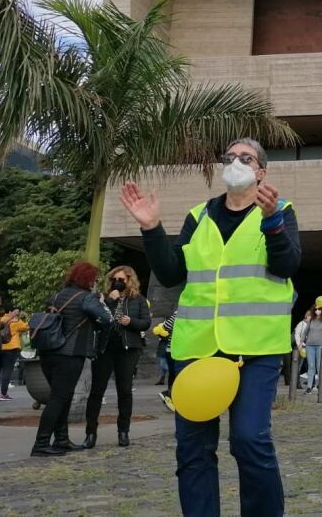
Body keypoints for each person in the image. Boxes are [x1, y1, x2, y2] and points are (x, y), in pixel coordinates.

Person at [120, 137, 301, 517]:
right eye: (230, 156)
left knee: (249, 440)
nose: (235, 162)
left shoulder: (280, 211)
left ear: (261, 171)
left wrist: (271, 224)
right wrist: (152, 229)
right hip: (195, 347)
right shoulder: (198, 215)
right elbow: (171, 274)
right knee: (193, 448)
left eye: (246, 158)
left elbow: (286, 266)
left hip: (256, 349)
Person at [31, 261, 113, 456]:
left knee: (62, 397)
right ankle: (41, 443)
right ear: (88, 279)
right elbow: (106, 319)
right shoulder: (87, 298)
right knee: (58, 398)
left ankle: (61, 439)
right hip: (70, 353)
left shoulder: (57, 295)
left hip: (48, 352)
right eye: (93, 278)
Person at [84, 265, 151, 449]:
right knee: (97, 391)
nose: (118, 283)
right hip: (105, 349)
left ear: (130, 281)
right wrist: (111, 301)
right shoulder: (104, 299)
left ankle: (123, 431)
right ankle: (90, 433)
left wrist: (131, 322)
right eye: (115, 279)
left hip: (128, 349)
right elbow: (97, 319)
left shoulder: (138, 300)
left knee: (125, 391)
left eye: (122, 280)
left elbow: (146, 323)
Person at [0, 307, 27, 402]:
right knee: (7, 371)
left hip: (0, 348)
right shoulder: (16, 321)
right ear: (11, 312)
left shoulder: (1, 319)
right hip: (11, 348)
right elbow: (26, 327)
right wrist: (20, 318)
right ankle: (3, 394)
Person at [304, 304, 322, 395]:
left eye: (319, 309)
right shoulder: (311, 320)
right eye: (315, 309)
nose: (317, 311)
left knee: (320, 366)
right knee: (311, 366)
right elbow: (305, 332)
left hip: (321, 346)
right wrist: (301, 343)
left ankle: (319, 386)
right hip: (310, 345)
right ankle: (309, 387)